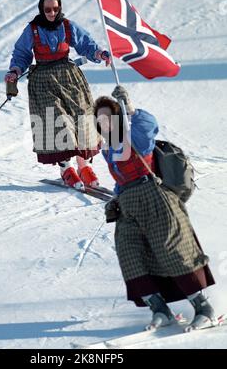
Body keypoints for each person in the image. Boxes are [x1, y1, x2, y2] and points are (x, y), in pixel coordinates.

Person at [93, 84, 217, 330]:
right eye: (100, 119)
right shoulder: (107, 148)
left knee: (172, 250)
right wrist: (115, 199)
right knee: (129, 254)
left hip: (155, 196)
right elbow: (120, 179)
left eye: (108, 116)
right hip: (128, 203)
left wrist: (131, 110)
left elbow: (149, 126)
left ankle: (204, 308)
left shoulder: (133, 135)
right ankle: (160, 309)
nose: (104, 122)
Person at [5, 0, 110, 189]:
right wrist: (15, 70)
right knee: (57, 120)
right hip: (43, 80)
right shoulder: (33, 29)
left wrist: (99, 53)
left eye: (55, 9)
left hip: (69, 77)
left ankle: (84, 166)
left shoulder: (67, 26)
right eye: (47, 9)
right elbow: (21, 53)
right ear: (41, 9)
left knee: (82, 117)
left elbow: (86, 44)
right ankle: (66, 169)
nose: (52, 13)